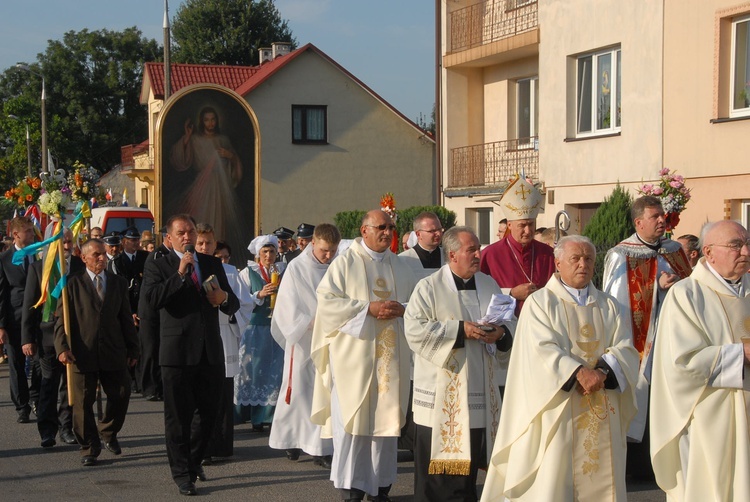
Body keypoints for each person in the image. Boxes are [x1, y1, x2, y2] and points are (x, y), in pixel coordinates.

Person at [482, 235, 639, 501]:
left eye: (588, 259)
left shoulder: (608, 305)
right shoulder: (541, 303)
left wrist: (602, 372)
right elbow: (539, 350)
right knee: (556, 479)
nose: (583, 265)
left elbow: (626, 347)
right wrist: (578, 372)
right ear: (558, 264)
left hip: (601, 401)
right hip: (558, 408)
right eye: (575, 258)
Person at [310, 209, 417, 502]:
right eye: (381, 227)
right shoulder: (345, 263)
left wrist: (403, 307)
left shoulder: (402, 265)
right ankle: (352, 488)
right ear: (365, 229)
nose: (387, 232)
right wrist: (367, 308)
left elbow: (419, 302)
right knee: (355, 424)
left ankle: (382, 487)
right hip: (354, 362)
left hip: (390, 359)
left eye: (391, 227)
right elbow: (328, 304)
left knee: (386, 422)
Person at [404, 226, 514, 501]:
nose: (479, 254)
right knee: (435, 479)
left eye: (478, 249)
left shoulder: (488, 283)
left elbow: (509, 321)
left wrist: (501, 333)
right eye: (472, 250)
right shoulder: (428, 288)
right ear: (452, 254)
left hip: (479, 393)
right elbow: (414, 331)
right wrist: (459, 330)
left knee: (467, 476)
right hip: (440, 398)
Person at [650, 221, 750, 500]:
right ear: (709, 252)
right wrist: (740, 354)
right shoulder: (687, 295)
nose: (744, 251)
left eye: (746, 244)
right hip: (708, 418)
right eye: (735, 245)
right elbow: (681, 362)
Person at [141, 214, 239, 496]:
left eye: (191, 232)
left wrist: (223, 300)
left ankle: (194, 462)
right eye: (181, 233)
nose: (187, 237)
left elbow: (230, 302)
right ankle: (182, 473)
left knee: (209, 414)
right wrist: (180, 275)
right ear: (168, 238)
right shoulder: (158, 264)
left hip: (210, 350)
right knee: (178, 418)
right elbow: (152, 301)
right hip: (177, 352)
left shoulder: (210, 263)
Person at [602, 195, 692, 479]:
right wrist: (657, 286)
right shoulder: (621, 254)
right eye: (655, 217)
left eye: (662, 216)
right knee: (638, 398)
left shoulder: (674, 249)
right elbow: (616, 301)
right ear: (638, 222)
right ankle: (636, 468)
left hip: (671, 338)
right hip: (639, 342)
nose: (662, 221)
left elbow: (691, 286)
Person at [54, 239, 140, 466]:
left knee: (121, 394)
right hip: (82, 353)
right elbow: (61, 322)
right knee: (82, 403)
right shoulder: (71, 285)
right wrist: (62, 348)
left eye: (103, 254)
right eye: (96, 255)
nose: (102, 258)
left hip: (113, 350)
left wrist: (133, 348)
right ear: (83, 258)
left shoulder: (118, 283)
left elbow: (125, 318)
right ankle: (89, 447)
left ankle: (109, 431)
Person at [269, 223, 341, 469]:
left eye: (332, 250)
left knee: (325, 392)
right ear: (313, 243)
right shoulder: (297, 268)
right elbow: (287, 306)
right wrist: (310, 322)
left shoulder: (339, 266)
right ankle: (291, 438)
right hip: (303, 339)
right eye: (324, 251)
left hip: (331, 339)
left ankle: (321, 447)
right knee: (299, 392)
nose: (328, 256)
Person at [195, 223, 252, 462]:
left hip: (224, 335)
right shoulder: (189, 269)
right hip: (198, 338)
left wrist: (227, 308)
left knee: (221, 394)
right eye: (200, 243)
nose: (205, 247)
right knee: (201, 396)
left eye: (209, 243)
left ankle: (221, 444)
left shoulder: (229, 271)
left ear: (215, 243)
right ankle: (201, 447)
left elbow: (244, 304)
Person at [22, 228, 84, 447]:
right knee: (49, 384)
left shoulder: (78, 265)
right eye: (62, 242)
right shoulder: (39, 269)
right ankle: (47, 430)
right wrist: (26, 338)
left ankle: (67, 427)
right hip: (47, 335)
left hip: (72, 335)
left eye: (69, 242)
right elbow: (29, 306)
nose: (67, 247)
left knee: (69, 384)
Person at [480, 176, 556, 319]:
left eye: (531, 224)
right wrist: (511, 293)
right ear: (509, 225)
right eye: (522, 225)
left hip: (542, 321)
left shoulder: (548, 253)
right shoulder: (490, 254)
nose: (528, 231)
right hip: (506, 327)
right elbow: (479, 294)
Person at [170, 106, 243, 252]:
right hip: (202, 186)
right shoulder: (195, 139)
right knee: (202, 215)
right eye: (206, 120)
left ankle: (217, 250)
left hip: (220, 187)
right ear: (201, 121)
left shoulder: (223, 140)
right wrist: (187, 137)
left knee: (219, 221)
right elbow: (180, 160)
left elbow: (235, 167)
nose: (210, 123)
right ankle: (200, 248)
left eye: (213, 119)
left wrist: (230, 156)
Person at [235, 235, 286, 431]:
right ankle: (255, 416)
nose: (269, 255)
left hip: (277, 327)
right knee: (255, 370)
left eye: (272, 251)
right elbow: (240, 298)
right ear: (258, 254)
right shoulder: (249, 273)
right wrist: (259, 295)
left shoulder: (283, 271)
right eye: (265, 252)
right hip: (256, 328)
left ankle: (272, 415)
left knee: (276, 371)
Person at [0, 216, 39, 424]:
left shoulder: (38, 254)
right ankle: (22, 406)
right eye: (29, 231)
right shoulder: (4, 259)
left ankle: (37, 399)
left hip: (38, 316)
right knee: (17, 363)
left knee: (40, 362)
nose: (33, 235)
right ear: (16, 234)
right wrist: (1, 326)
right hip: (15, 317)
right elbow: (1, 294)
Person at [109, 226, 149, 394]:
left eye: (137, 240)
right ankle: (130, 378)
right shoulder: (116, 262)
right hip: (126, 308)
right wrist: (130, 311)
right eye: (132, 240)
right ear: (124, 241)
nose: (135, 243)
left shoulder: (145, 257)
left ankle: (141, 380)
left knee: (143, 345)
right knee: (128, 344)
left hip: (143, 307)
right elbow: (119, 290)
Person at [136, 231, 171, 402]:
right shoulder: (157, 254)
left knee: (161, 350)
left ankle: (160, 386)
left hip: (162, 311)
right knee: (150, 350)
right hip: (150, 311)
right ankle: (149, 387)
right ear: (167, 237)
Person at [399, 211, 445, 281]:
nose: (438, 233)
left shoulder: (448, 256)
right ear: (418, 234)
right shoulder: (403, 260)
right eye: (432, 231)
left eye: (439, 229)